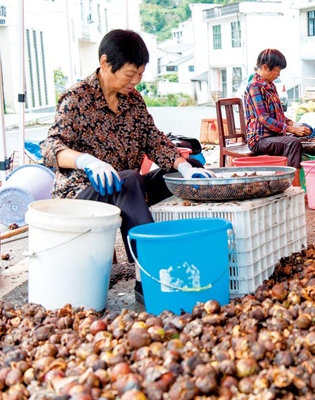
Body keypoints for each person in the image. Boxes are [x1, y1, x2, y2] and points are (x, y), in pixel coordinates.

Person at [41, 29, 210, 302]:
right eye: (130, 74)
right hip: (83, 195)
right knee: (130, 179)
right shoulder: (76, 99)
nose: (136, 81)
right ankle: (149, 274)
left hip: (126, 188)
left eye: (140, 74)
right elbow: (50, 147)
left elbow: (154, 139)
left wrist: (185, 168)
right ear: (105, 63)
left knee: (177, 173)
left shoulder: (133, 100)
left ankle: (189, 248)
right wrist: (86, 161)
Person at [244, 49, 311, 184]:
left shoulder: (271, 86)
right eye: (276, 70)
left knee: (303, 139)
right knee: (293, 144)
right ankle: (295, 186)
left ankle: (291, 181)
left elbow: (278, 115)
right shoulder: (254, 87)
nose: (278, 74)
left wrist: (294, 124)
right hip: (259, 139)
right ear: (265, 67)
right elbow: (264, 118)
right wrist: (290, 129)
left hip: (273, 136)